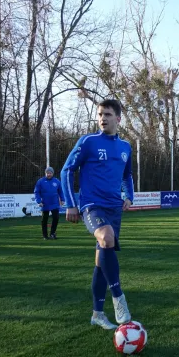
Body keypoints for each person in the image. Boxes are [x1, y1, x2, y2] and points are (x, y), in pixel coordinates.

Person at [61, 98, 134, 330]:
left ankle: (97, 314)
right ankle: (118, 298)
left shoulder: (126, 147)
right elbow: (66, 170)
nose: (102, 118)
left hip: (114, 207)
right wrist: (71, 204)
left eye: (108, 114)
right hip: (92, 205)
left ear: (118, 118)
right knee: (106, 237)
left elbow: (127, 176)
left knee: (102, 261)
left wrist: (129, 195)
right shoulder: (88, 142)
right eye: (100, 114)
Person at [34, 167, 64, 240]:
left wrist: (62, 199)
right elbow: (36, 192)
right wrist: (39, 201)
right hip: (44, 204)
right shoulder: (40, 181)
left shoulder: (57, 181)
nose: (49, 174)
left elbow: (60, 191)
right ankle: (45, 235)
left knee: (56, 218)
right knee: (44, 219)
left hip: (55, 203)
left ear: (52, 173)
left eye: (50, 173)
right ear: (45, 173)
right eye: (47, 173)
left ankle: (52, 234)